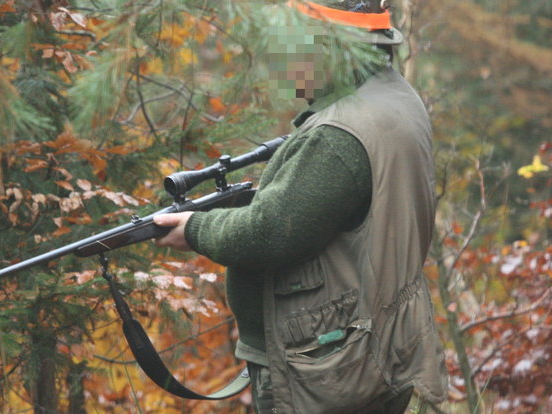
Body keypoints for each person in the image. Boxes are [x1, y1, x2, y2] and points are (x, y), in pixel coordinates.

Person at [154, 1, 448, 412]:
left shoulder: (337, 135)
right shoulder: (394, 96)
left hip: (330, 362)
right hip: (375, 341)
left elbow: (268, 232)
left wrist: (196, 228)